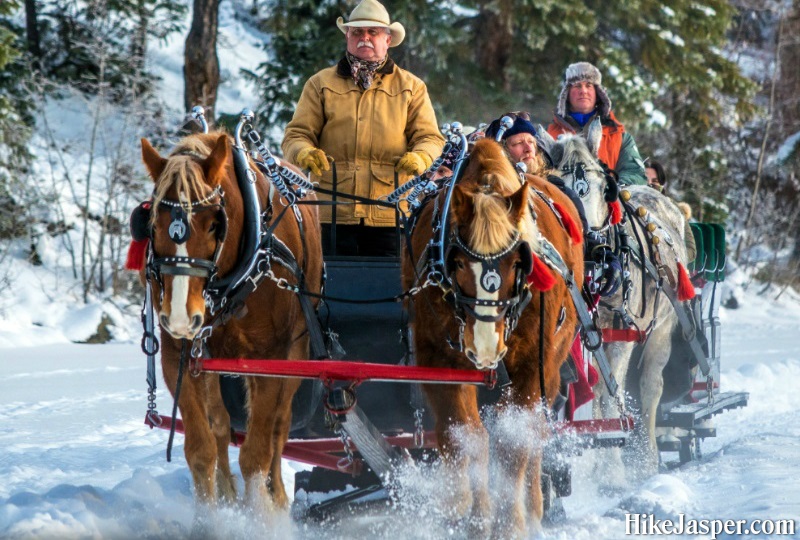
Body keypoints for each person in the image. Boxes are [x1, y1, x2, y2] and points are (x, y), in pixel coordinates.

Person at [282, 0, 445, 256]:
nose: (364, 38)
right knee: (325, 289)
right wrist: (303, 152)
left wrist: (422, 156)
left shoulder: (412, 87)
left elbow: (431, 138)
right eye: (357, 32)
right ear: (347, 37)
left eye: (373, 32)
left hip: (391, 213)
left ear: (388, 40)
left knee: (389, 291)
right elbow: (296, 135)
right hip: (329, 211)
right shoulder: (319, 83)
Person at [486, 112, 621, 296]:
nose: (528, 149)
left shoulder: (557, 189)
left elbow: (581, 234)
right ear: (501, 152)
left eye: (531, 142)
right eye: (518, 143)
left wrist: (600, 251)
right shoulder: (489, 195)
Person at [547, 62, 647, 186]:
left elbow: (635, 172)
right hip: (563, 202)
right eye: (577, 85)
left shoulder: (619, 136)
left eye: (589, 85)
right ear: (566, 94)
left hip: (608, 202)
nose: (583, 91)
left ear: (597, 93)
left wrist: (612, 187)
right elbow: (539, 171)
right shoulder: (550, 136)